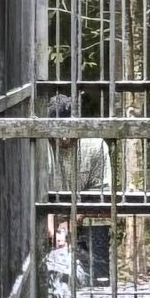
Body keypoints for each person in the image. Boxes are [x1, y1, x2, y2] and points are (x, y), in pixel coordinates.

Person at [45, 95, 116, 286]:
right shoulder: (39, 147)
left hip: (86, 218)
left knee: (95, 283)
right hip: (44, 217)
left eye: (70, 130)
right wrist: (48, 222)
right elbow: (32, 190)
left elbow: (103, 193)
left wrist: (70, 223)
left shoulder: (96, 146)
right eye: (59, 132)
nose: (65, 138)